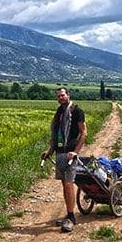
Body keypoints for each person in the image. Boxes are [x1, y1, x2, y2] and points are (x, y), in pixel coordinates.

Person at [41, 86, 87, 232]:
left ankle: (71, 217)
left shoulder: (77, 111)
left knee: (68, 184)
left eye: (62, 95)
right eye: (58, 96)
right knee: (63, 184)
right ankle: (68, 214)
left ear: (68, 95)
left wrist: (75, 152)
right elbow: (56, 134)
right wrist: (49, 151)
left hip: (69, 154)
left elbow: (84, 132)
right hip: (60, 153)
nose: (60, 98)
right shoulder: (59, 112)